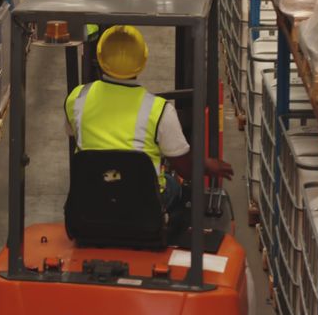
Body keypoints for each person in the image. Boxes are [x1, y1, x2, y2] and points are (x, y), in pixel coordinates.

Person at [65, 25, 234, 213]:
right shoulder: (159, 110)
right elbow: (186, 169)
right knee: (173, 185)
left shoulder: (77, 98)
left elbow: (75, 135)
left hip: (90, 204)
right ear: (143, 61)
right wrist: (207, 164)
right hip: (142, 211)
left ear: (99, 58)